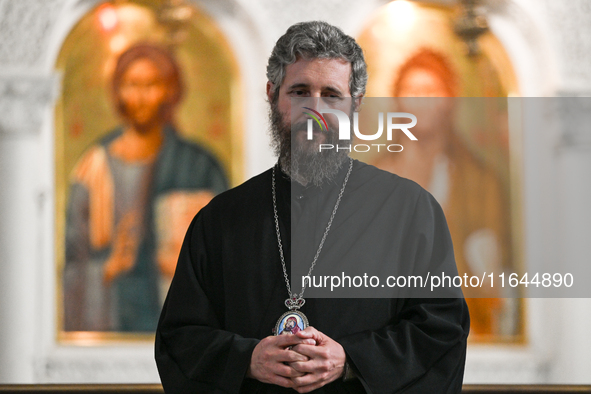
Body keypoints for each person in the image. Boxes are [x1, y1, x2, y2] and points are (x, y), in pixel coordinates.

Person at [155, 22, 469, 393]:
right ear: (273, 95)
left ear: (355, 104)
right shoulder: (220, 219)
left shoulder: (411, 210)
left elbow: (441, 333)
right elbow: (179, 340)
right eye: (301, 91)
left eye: (332, 95)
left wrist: (351, 361)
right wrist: (246, 359)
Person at [64, 43, 228, 332]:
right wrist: (107, 268)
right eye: (131, 85)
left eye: (151, 85)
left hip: (177, 314)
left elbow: (229, 251)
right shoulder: (94, 167)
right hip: (112, 316)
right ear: (117, 90)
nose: (140, 96)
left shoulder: (199, 166)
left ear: (169, 91)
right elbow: (72, 264)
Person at [373, 49, 512, 336]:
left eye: (431, 90)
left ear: (449, 100)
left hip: (461, 326)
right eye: (412, 90)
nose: (421, 100)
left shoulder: (479, 180)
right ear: (398, 99)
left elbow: (494, 270)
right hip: (390, 328)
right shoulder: (376, 179)